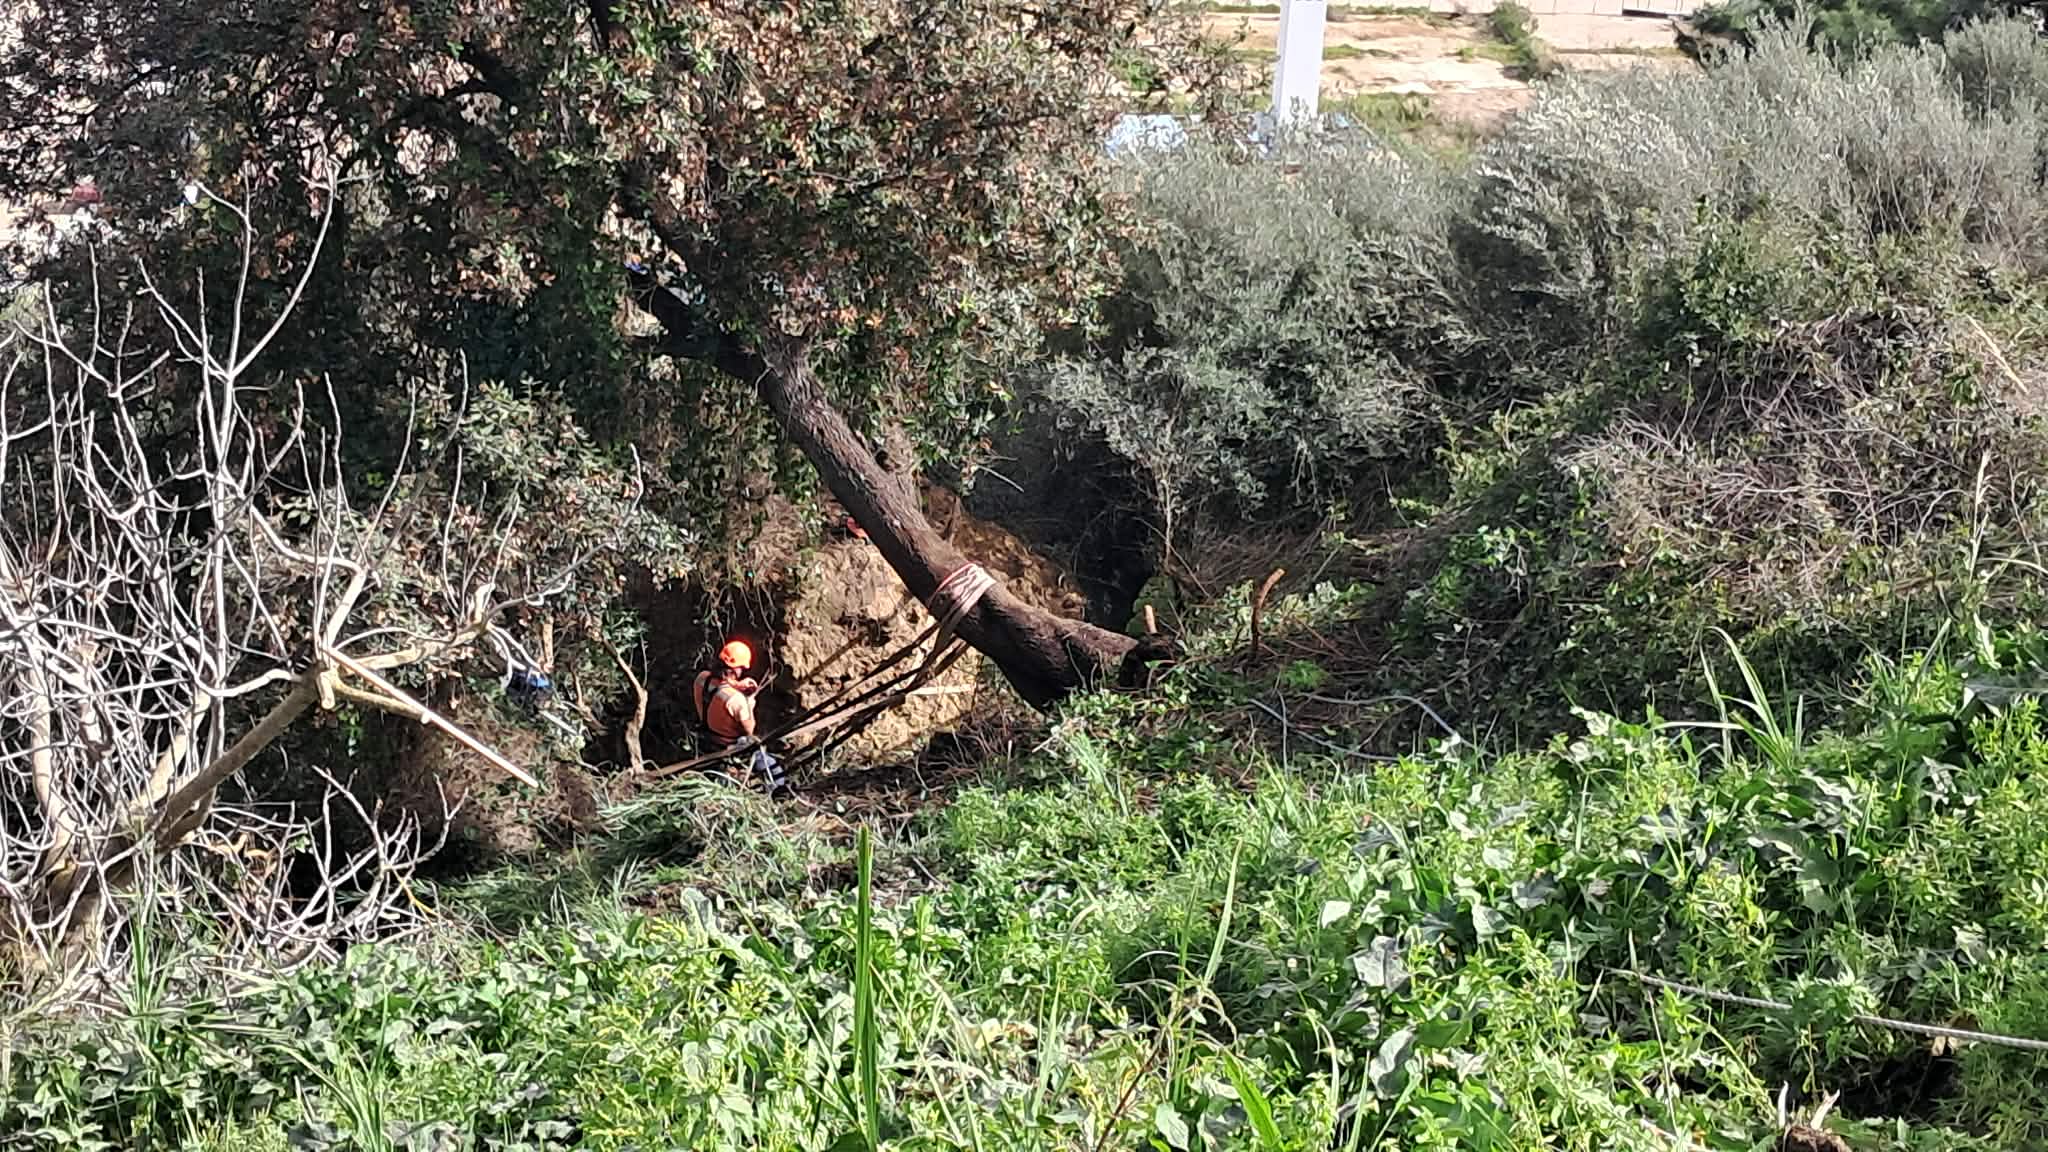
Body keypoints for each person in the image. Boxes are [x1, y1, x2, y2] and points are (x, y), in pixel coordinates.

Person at [691, 639, 788, 793]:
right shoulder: (737, 700)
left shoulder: (702, 678)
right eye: (741, 668)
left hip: (707, 737)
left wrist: (736, 685)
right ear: (736, 669)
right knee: (772, 766)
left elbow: (718, 687)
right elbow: (750, 729)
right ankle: (779, 790)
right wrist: (749, 703)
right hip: (730, 746)